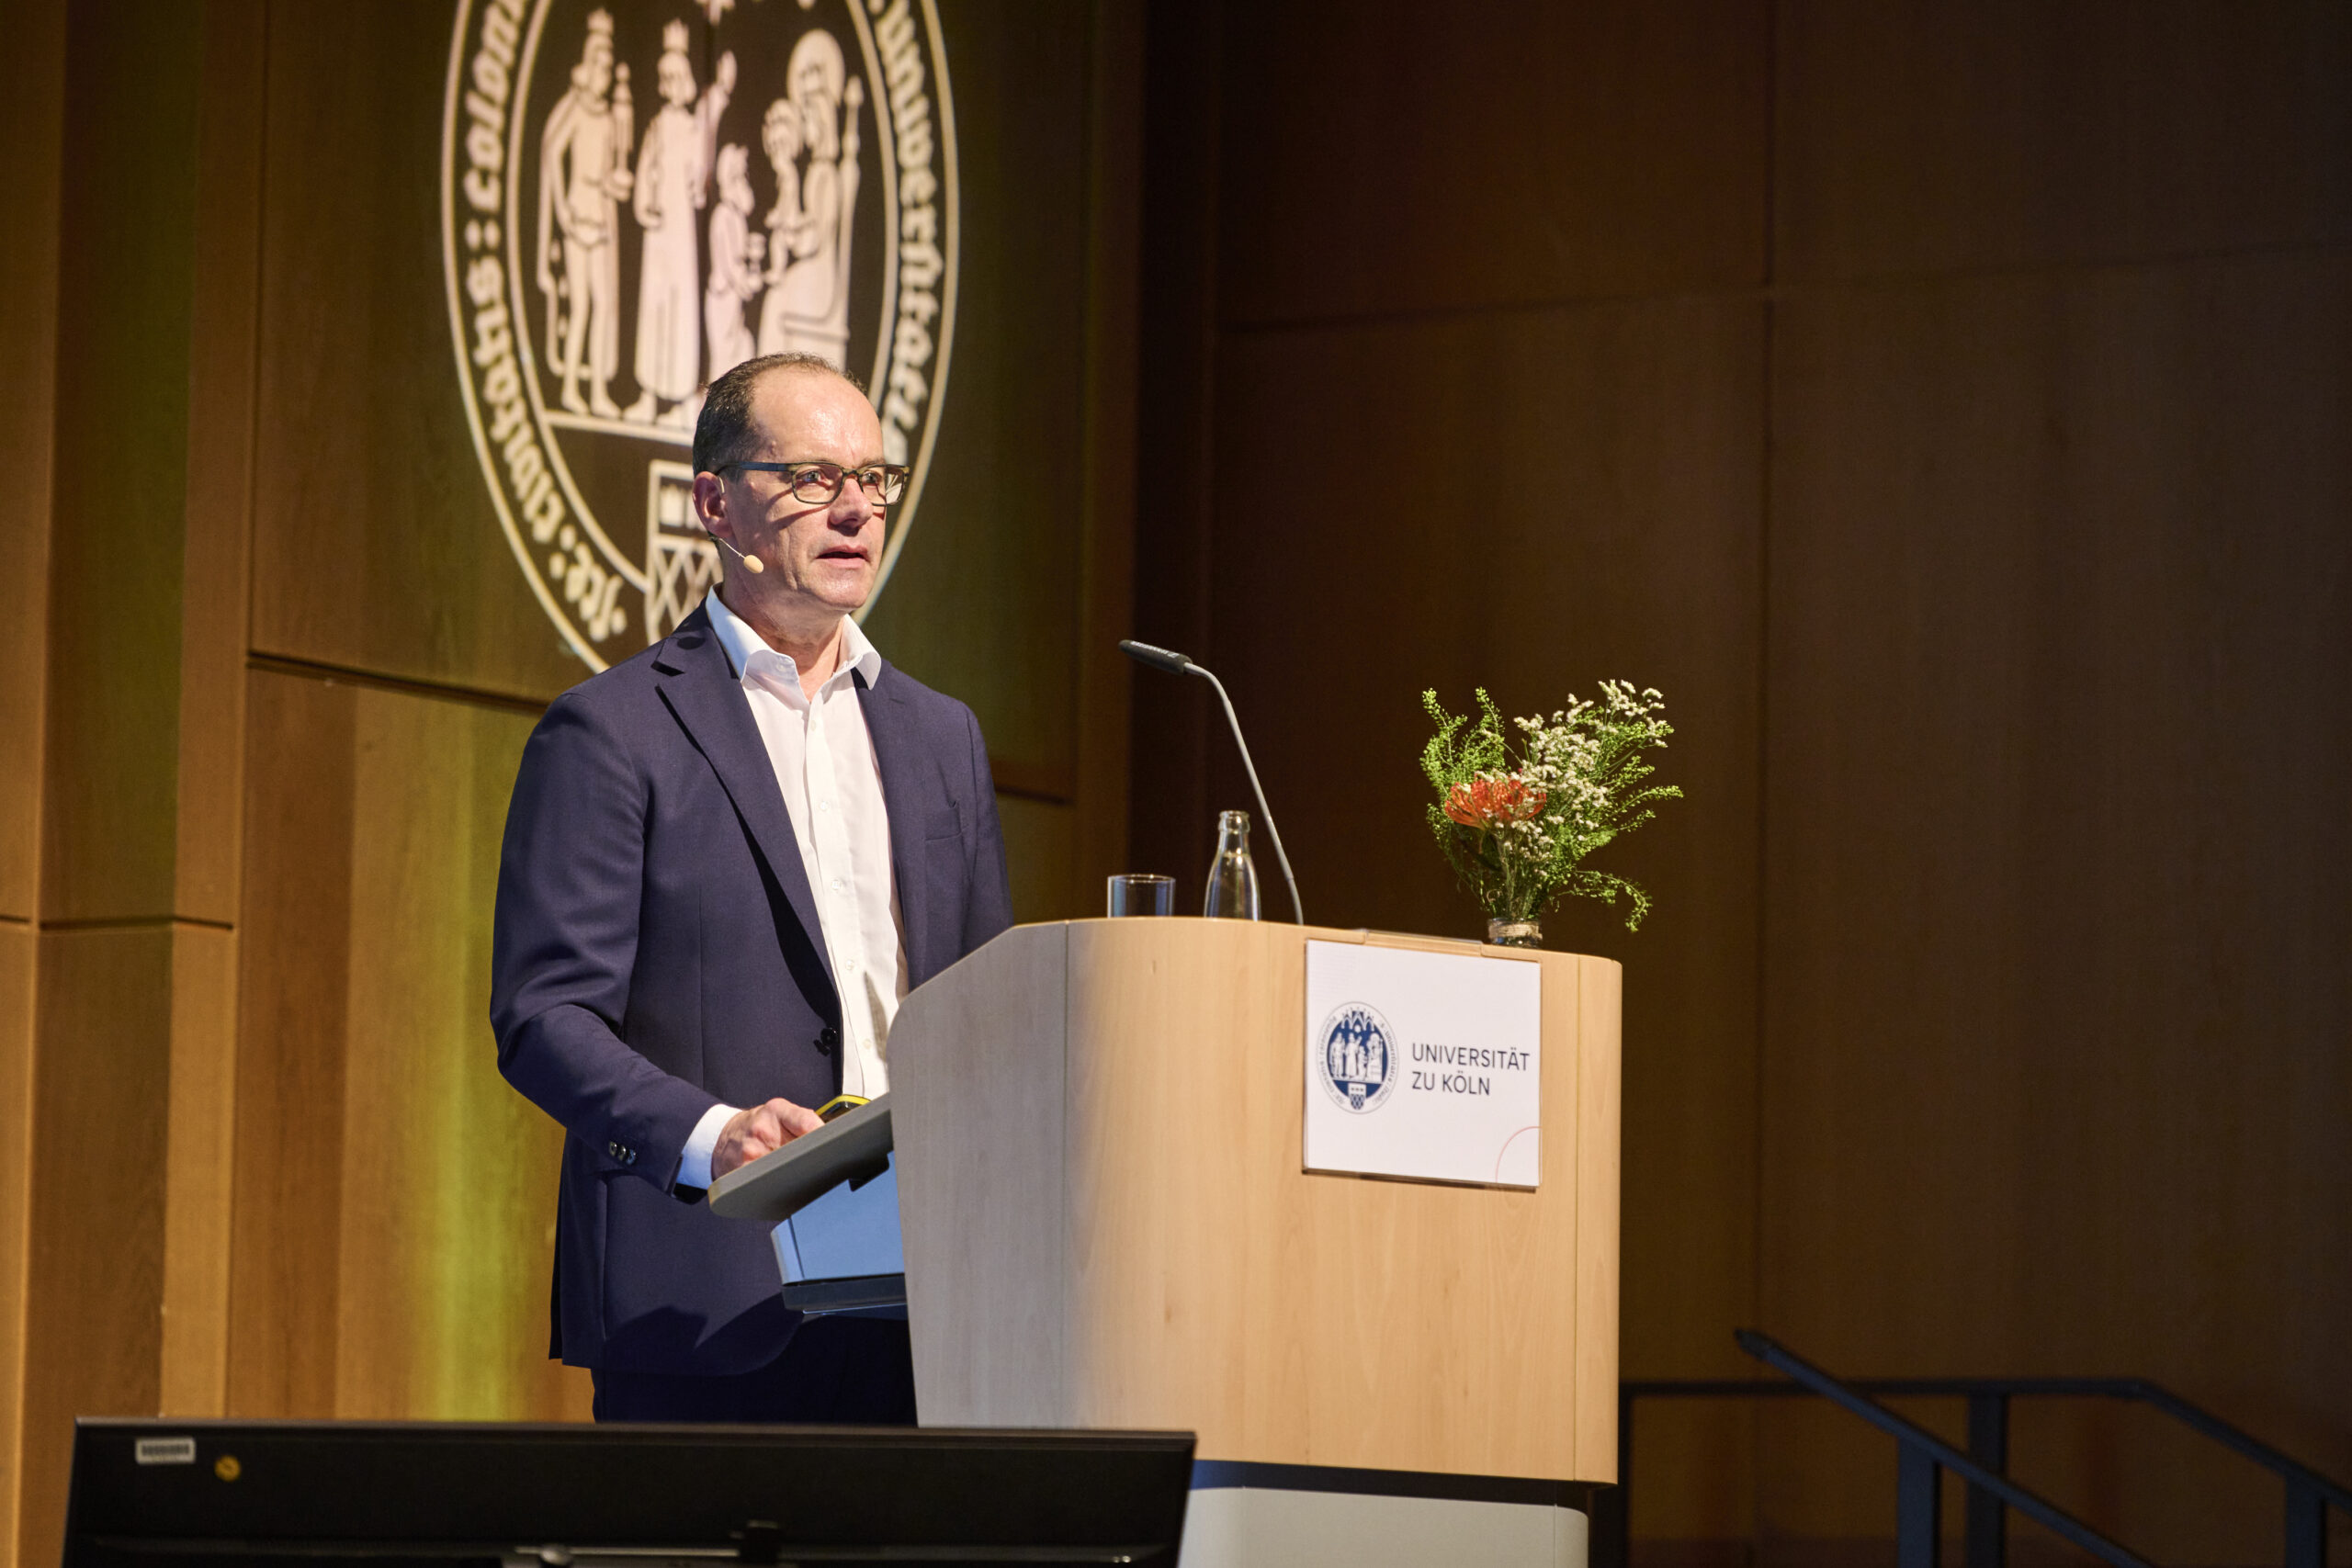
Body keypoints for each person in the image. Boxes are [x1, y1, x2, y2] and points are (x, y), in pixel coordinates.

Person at [490, 353, 1013, 1423]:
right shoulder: (613, 731)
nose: (856, 509)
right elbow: (544, 1017)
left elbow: (987, 1009)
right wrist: (711, 1136)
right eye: (814, 478)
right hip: (710, 1308)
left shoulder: (940, 735)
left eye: (873, 479)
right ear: (716, 505)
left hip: (925, 1306)